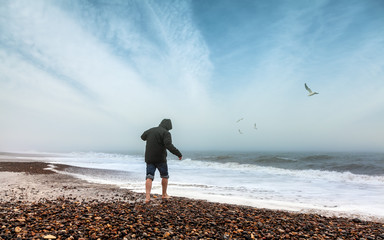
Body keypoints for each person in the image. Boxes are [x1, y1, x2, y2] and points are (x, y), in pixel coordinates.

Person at [141, 119, 182, 203]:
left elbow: (142, 137)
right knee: (164, 176)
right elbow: (168, 145)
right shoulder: (166, 133)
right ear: (168, 126)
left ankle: (147, 197)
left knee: (149, 177)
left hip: (149, 157)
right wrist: (178, 154)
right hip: (160, 158)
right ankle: (164, 194)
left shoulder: (150, 130)